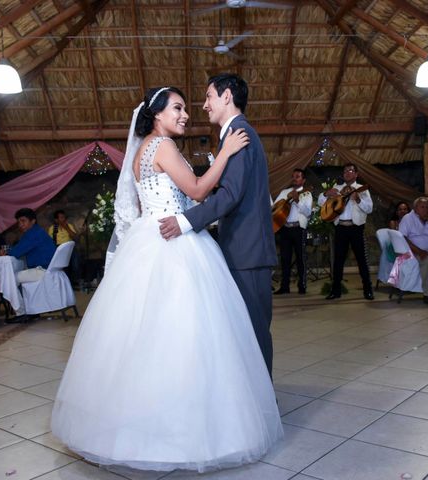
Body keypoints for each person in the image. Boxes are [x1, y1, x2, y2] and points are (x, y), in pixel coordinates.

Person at [51, 86, 283, 473]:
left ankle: (132, 419)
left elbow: (150, 203)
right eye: (177, 108)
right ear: (157, 113)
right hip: (174, 242)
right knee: (186, 333)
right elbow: (195, 189)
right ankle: (186, 421)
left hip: (147, 239)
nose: (186, 114)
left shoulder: (142, 151)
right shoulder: (165, 147)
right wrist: (224, 155)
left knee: (141, 336)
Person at [158, 74, 278, 377]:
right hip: (243, 249)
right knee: (245, 331)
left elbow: (231, 195)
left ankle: (264, 407)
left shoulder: (240, 134)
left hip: (248, 251)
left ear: (227, 97)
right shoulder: (232, 136)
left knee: (254, 332)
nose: (204, 105)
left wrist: (185, 221)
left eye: (209, 96)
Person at [318, 162, 374, 300]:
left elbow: (369, 209)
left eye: (350, 170)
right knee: (338, 260)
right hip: (340, 228)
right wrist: (326, 193)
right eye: (345, 171)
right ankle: (336, 291)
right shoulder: (337, 188)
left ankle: (368, 290)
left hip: (356, 228)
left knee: (362, 260)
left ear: (356, 174)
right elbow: (320, 202)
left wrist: (358, 200)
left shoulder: (362, 189)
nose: (347, 173)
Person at [273, 168, 313, 295]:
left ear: (303, 180)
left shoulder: (307, 194)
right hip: (285, 229)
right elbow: (274, 207)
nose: (295, 178)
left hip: (298, 229)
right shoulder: (284, 192)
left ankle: (302, 286)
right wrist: (284, 201)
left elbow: (307, 213)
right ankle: (285, 287)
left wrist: (297, 201)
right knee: (285, 259)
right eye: (293, 176)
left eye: (298, 176)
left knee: (301, 258)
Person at [2, 208, 56, 284]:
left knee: (9, 278)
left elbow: (16, 252)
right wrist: (9, 250)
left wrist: (6, 252)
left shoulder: (33, 234)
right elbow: (20, 248)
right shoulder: (37, 231)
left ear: (33, 221)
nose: (20, 224)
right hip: (50, 269)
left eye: (23, 221)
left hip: (43, 270)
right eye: (18, 222)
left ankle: (16, 296)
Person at [46, 210, 82, 286]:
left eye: (64, 217)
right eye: (61, 218)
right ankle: (66, 283)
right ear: (56, 220)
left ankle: (75, 281)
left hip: (70, 248)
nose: (64, 219)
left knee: (76, 263)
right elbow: (50, 242)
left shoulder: (69, 226)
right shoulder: (52, 228)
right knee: (63, 266)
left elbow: (76, 238)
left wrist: (67, 228)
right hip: (59, 248)